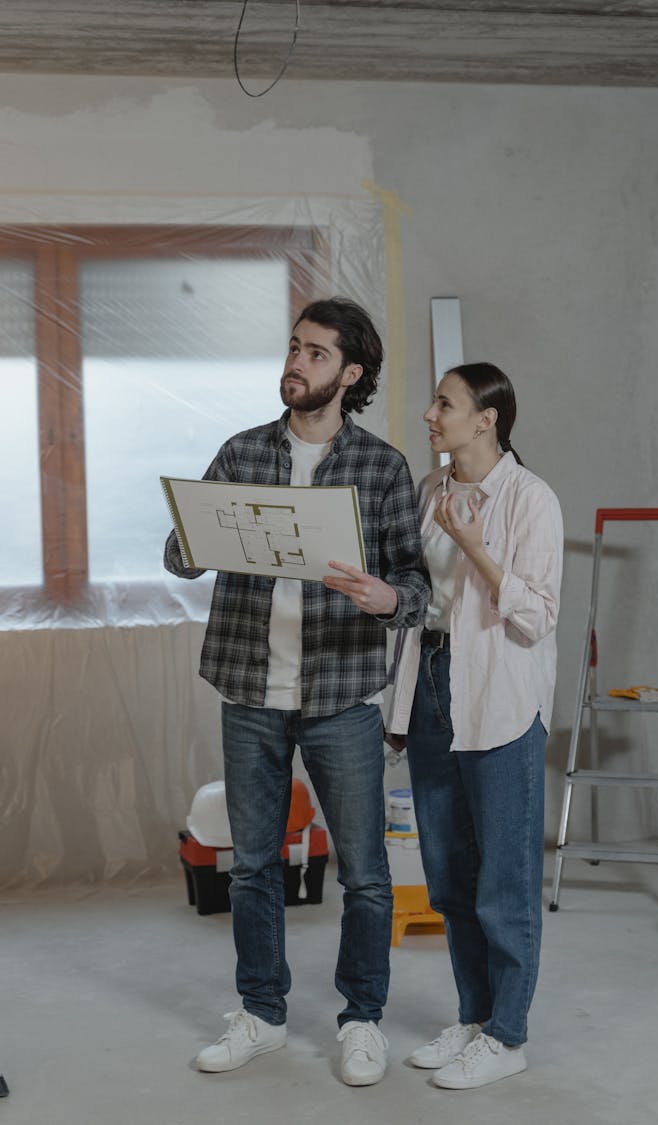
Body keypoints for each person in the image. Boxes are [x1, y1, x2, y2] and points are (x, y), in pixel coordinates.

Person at [164, 297, 430, 1086]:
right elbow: (180, 556)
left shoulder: (381, 467)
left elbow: (414, 584)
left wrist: (387, 598)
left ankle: (362, 1018)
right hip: (250, 689)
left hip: (343, 695)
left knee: (365, 871)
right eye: (293, 347)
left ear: (349, 374)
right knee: (251, 865)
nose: (296, 363)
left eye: (315, 354)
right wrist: (193, 539)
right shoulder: (241, 452)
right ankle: (261, 1013)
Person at [387, 362, 563, 1090]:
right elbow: (423, 604)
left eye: (445, 403)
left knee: (506, 879)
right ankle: (473, 1015)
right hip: (432, 685)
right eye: (435, 402)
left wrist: (475, 547)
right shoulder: (433, 491)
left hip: (498, 695)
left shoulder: (531, 498)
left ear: (487, 418)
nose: (431, 415)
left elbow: (536, 614)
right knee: (451, 877)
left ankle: (509, 1033)